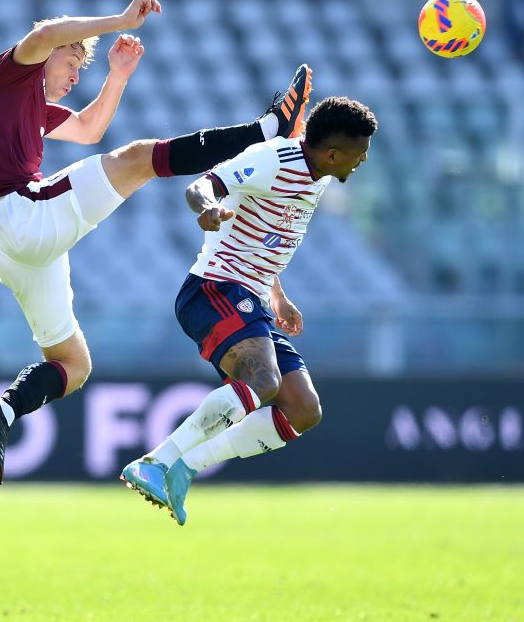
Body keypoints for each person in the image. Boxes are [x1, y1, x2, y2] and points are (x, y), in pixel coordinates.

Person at [0, 0, 313, 486]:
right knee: (141, 157)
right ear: (50, 55)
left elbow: (88, 129)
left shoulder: (29, 106)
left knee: (73, 365)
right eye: (73, 60)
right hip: (17, 215)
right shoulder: (12, 75)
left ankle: (3, 412)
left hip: (1, 241)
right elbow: (42, 36)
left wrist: (117, 75)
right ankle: (267, 128)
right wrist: (119, 21)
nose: (76, 74)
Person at [120, 96, 378, 525]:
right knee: (263, 379)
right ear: (333, 153)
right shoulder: (271, 159)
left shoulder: (321, 173)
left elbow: (268, 232)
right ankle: (156, 462)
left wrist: (276, 294)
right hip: (214, 287)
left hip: (253, 298)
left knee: (302, 409)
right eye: (360, 151)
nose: (364, 159)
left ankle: (185, 467)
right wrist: (207, 208)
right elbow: (199, 187)